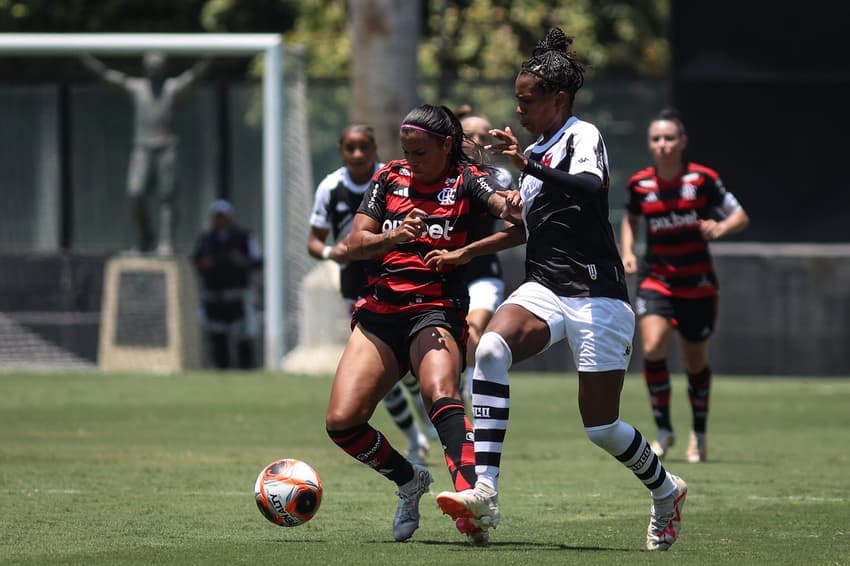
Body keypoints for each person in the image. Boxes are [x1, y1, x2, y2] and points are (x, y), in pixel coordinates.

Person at [428, 28, 688, 551]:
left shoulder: (581, 134)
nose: (519, 109)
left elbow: (592, 189)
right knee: (491, 349)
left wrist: (529, 165)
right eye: (518, 100)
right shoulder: (538, 154)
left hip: (597, 293)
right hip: (544, 286)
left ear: (558, 99)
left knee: (601, 427)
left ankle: (666, 490)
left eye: (527, 100)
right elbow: (523, 226)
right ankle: (486, 491)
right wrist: (468, 247)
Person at [324, 104, 514, 544]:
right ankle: (409, 480)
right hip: (380, 313)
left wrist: (469, 250)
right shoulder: (389, 176)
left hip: (435, 308)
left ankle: (474, 501)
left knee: (441, 395)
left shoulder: (468, 180)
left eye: (420, 152)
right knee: (342, 423)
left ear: (447, 146)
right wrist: (392, 236)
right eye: (407, 151)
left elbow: (516, 219)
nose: (411, 161)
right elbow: (353, 244)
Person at [620, 108, 750, 464]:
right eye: (656, 139)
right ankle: (664, 430)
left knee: (695, 363)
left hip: (697, 283)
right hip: (656, 279)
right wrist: (628, 252)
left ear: (682, 142)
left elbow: (739, 215)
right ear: (650, 144)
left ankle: (699, 433)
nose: (663, 145)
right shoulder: (639, 184)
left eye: (669, 138)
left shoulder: (703, 179)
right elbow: (630, 218)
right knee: (652, 345)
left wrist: (720, 228)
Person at [307, 122, 431, 466]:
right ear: (341, 150)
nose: (358, 154)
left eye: (364, 146)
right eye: (351, 147)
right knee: (381, 375)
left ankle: (425, 412)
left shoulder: (393, 179)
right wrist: (335, 253)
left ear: (375, 147)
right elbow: (314, 241)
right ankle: (414, 437)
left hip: (394, 277)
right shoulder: (331, 187)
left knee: (405, 370)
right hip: (355, 286)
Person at [81, 52, 211, 255]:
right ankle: (145, 236)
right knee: (135, 193)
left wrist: (212, 52)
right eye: (150, 67)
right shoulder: (137, 88)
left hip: (166, 147)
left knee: (167, 196)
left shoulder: (171, 88)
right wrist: (83, 56)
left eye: (158, 67)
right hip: (142, 147)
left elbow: (194, 76)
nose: (154, 71)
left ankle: (166, 241)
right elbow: (107, 75)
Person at [455, 106, 512, 408]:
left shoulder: (500, 176)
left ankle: (477, 400)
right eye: (469, 135)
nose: (476, 140)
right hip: (449, 273)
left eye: (482, 135)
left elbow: (511, 222)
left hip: (483, 271)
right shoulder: (443, 176)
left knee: (474, 330)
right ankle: (461, 391)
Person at [192, 200, 262, 369]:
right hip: (215, 294)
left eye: (223, 216)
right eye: (217, 217)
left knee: (243, 335)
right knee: (218, 335)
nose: (220, 220)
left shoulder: (244, 238)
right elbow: (197, 262)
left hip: (238, 294)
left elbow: (257, 261)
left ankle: (246, 368)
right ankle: (221, 368)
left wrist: (240, 261)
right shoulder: (206, 240)